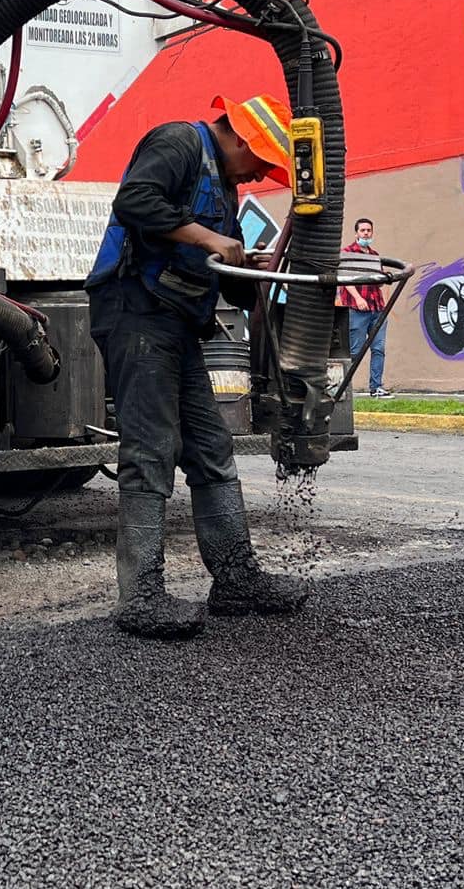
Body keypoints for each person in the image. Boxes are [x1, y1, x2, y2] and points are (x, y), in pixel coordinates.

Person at [85, 93, 310, 640]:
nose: (259, 175)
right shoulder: (179, 142)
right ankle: (140, 597)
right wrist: (211, 237)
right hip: (135, 312)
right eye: (260, 161)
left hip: (177, 324)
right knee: (150, 450)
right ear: (241, 138)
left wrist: (248, 264)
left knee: (212, 450)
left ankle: (234, 581)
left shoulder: (223, 185)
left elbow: (218, 271)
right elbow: (134, 203)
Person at [339, 217, 391, 397]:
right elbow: (345, 278)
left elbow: (380, 282)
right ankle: (343, 388)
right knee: (355, 350)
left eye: (369, 230)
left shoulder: (375, 255)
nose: (366, 233)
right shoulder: (348, 252)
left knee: (378, 349)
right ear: (356, 233)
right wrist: (358, 298)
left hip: (377, 308)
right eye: (363, 230)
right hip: (357, 309)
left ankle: (376, 387)